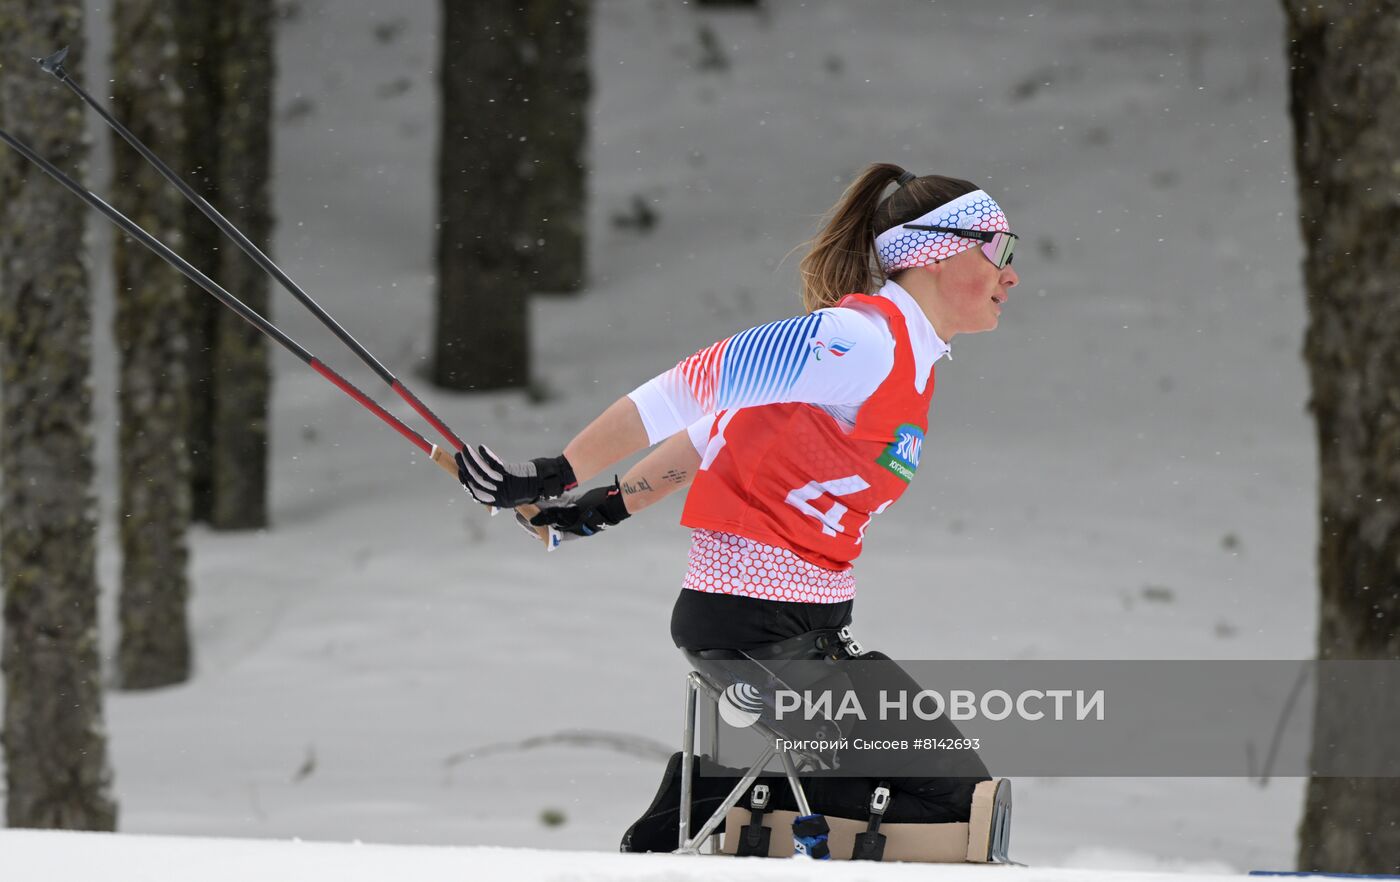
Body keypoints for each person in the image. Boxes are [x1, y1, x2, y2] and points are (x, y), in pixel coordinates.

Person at [456, 162, 1019, 854]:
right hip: (755, 626)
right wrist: (559, 470)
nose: (1011, 273)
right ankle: (699, 810)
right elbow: (697, 383)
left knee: (965, 800)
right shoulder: (860, 341)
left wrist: (594, 511)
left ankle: (709, 802)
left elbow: (718, 428)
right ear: (935, 253)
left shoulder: (910, 358)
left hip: (798, 625)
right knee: (953, 801)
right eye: (998, 249)